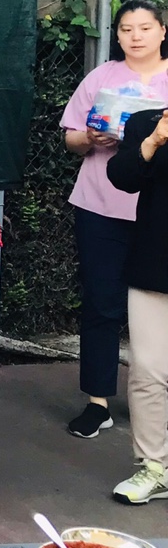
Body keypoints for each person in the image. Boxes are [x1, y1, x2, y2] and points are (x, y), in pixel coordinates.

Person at [61, 0, 168, 439]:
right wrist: (90, 137)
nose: (135, 36)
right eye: (126, 29)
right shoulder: (101, 77)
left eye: (144, 28)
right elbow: (70, 138)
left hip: (157, 214)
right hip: (101, 205)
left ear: (163, 31)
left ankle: (156, 402)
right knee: (102, 303)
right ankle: (98, 402)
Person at [107, 103, 168, 503]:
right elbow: (122, 177)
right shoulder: (146, 122)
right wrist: (155, 139)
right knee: (147, 370)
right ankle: (154, 468)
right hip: (154, 265)